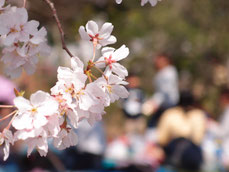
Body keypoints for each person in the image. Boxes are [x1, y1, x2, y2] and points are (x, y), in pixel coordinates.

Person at [157, 91, 206, 171]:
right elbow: (198, 139)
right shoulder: (199, 115)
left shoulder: (169, 114)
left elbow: (162, 139)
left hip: (173, 159)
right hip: (193, 161)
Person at [142, 53, 179, 127]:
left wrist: (155, 103)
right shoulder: (160, 74)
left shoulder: (169, 72)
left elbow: (166, 91)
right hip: (163, 105)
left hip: (169, 105)